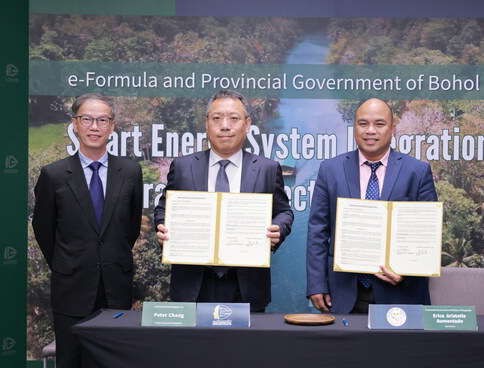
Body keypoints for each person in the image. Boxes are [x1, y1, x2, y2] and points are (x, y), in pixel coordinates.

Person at [32, 93, 142, 368]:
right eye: (87, 119)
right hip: (72, 288)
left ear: (112, 126)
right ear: (75, 125)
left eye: (102, 120)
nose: (95, 126)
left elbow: (129, 230)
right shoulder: (53, 175)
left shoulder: (130, 172)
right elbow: (43, 230)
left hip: (116, 289)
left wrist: (107, 258)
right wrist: (70, 263)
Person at [154, 90, 293, 312]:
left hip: (246, 283)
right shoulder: (183, 167)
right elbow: (164, 208)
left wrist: (279, 228)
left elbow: (284, 211)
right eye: (217, 118)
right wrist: (161, 226)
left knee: (244, 347)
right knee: (193, 347)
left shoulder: (267, 168)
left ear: (247, 124)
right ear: (207, 123)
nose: (225, 126)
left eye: (233, 118)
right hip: (193, 284)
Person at [306, 98, 437, 314]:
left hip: (400, 292)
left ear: (392, 128)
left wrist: (406, 272)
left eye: (379, 124)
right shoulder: (330, 170)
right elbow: (318, 231)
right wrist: (317, 284)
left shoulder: (417, 171)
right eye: (363, 123)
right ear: (355, 127)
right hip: (343, 291)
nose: (370, 131)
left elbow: (427, 235)